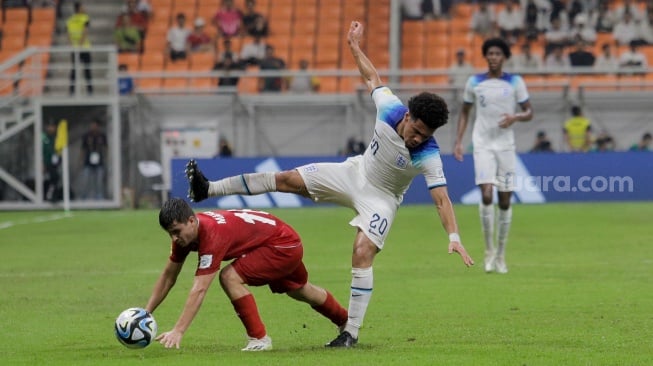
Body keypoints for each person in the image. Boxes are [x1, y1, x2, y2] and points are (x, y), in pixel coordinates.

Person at [185, 20, 474, 348]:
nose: (418, 138)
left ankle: (350, 332)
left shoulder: (429, 155)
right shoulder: (390, 107)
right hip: (355, 173)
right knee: (285, 179)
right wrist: (354, 47)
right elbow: (371, 77)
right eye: (417, 130)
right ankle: (208, 189)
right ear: (407, 116)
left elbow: (441, 199)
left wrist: (454, 236)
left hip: (382, 199)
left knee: (362, 251)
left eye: (426, 136)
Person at [146, 198, 348, 351]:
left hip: (281, 245)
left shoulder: (212, 234)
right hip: (283, 238)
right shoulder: (185, 235)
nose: (174, 238)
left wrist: (179, 330)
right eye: (170, 233)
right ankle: (347, 322)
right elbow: (168, 277)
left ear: (191, 220)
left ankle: (259, 339)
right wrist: (146, 313)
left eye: (176, 231)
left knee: (229, 277)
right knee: (300, 290)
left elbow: (200, 289)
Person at [453, 37, 534, 274]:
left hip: (506, 145)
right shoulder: (474, 82)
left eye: (498, 53)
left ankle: (501, 255)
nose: (493, 57)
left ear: (504, 57)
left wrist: (515, 117)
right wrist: (459, 141)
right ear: (485, 56)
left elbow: (529, 111)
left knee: (506, 199)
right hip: (483, 145)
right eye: (490, 53)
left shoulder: (515, 82)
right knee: (487, 194)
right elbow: (465, 112)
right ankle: (488, 252)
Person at [66, 1, 93, 95]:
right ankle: (72, 91)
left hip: (82, 48)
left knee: (86, 69)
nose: (84, 8)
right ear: (78, 8)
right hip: (80, 48)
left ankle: (89, 90)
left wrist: (75, 46)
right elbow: (70, 34)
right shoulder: (72, 20)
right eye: (82, 7)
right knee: (75, 70)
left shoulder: (83, 18)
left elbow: (84, 32)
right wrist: (75, 46)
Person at [80, 119, 107, 200]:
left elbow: (106, 147)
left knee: (99, 180)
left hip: (99, 161)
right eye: (92, 125)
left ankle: (99, 195)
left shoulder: (102, 136)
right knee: (86, 180)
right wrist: (81, 160)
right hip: (88, 161)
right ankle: (84, 195)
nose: (93, 127)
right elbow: (83, 149)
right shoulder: (86, 135)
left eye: (95, 125)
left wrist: (106, 158)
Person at [43, 121, 60, 202]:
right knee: (53, 178)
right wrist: (42, 163)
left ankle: (52, 196)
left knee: (55, 178)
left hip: (55, 163)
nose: (51, 128)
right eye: (50, 126)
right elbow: (43, 151)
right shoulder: (44, 137)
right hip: (47, 162)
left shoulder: (56, 138)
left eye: (53, 126)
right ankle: (49, 195)